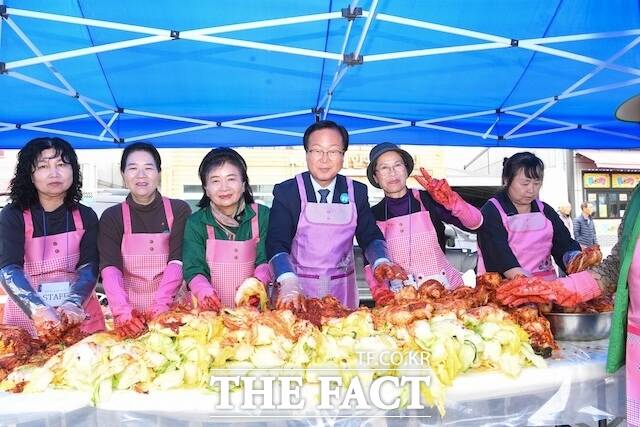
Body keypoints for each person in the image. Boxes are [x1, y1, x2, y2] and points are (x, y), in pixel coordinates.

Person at [266, 121, 406, 310]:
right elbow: (276, 242)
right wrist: (287, 279)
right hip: (297, 291)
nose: (325, 159)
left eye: (333, 151)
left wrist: (381, 261)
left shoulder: (356, 191)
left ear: (343, 155)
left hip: (342, 293)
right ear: (307, 154)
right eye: (317, 151)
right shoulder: (287, 192)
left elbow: (370, 236)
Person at [0, 137, 104, 337]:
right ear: (30, 175)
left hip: (79, 317)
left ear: (73, 170)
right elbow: (8, 268)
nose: (54, 173)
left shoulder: (86, 215)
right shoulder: (13, 215)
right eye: (43, 166)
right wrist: (38, 309)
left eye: (62, 164)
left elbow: (89, 267)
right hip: (28, 320)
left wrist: (73, 302)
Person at [98, 142, 191, 337]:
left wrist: (161, 307)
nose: (141, 175)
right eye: (133, 168)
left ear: (159, 172)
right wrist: (123, 312)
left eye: (148, 168)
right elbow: (110, 268)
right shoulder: (111, 216)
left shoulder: (179, 210)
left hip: (173, 312)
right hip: (129, 314)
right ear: (123, 174)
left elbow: (177, 260)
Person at [364, 142, 482, 290]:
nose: (392, 172)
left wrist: (453, 201)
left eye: (397, 165)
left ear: (406, 170)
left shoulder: (428, 199)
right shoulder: (373, 215)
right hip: (404, 299)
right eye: (384, 168)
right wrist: (381, 293)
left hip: (446, 292)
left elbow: (475, 224)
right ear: (375, 177)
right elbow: (371, 263)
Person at [182, 148, 272, 311]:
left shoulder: (263, 216)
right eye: (215, 181)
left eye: (231, 179)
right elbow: (193, 268)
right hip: (209, 313)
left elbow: (264, 260)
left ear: (243, 184)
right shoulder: (195, 223)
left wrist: (256, 287)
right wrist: (204, 292)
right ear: (206, 189)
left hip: (255, 313)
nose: (224, 188)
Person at [477, 152, 585, 281]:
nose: (531, 190)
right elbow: (498, 254)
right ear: (507, 180)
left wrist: (573, 258)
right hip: (506, 288)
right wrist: (527, 283)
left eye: (536, 183)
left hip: (547, 287)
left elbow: (563, 243)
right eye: (525, 183)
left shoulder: (545, 211)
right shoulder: (492, 211)